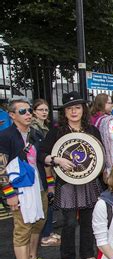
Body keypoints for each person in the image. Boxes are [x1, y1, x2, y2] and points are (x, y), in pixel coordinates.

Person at [39, 91, 103, 259]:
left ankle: (87, 253)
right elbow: (42, 154)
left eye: (77, 107)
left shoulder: (92, 130)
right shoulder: (57, 131)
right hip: (67, 183)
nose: (73, 111)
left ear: (83, 109)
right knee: (68, 223)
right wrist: (56, 159)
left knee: (88, 221)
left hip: (89, 183)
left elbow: (100, 155)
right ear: (64, 112)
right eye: (69, 108)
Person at [0, 98, 54, 259]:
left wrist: (50, 185)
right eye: (23, 111)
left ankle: (32, 257)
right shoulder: (6, 136)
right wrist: (9, 194)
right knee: (22, 229)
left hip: (38, 187)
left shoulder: (35, 134)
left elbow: (43, 161)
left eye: (30, 110)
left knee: (39, 222)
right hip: (20, 190)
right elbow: (1, 167)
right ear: (12, 115)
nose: (28, 114)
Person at [31, 99, 60, 247]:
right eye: (40, 109)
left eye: (46, 110)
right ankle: (44, 235)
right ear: (34, 111)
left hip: (48, 169)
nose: (44, 112)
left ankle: (48, 232)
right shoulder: (33, 130)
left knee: (49, 199)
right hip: (38, 170)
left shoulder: (46, 129)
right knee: (44, 201)